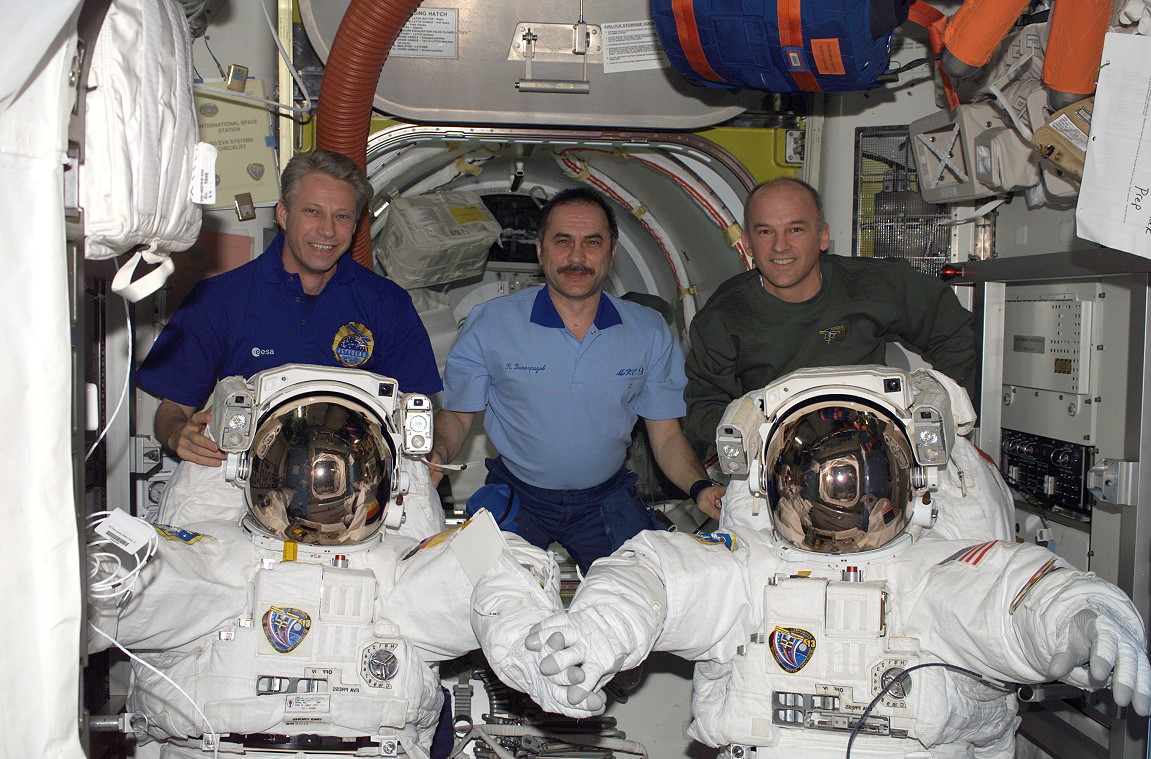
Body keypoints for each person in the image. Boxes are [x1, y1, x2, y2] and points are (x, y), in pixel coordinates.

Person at [515, 367, 1151, 759]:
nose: (838, 497)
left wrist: (1085, 616)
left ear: (907, 479)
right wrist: (596, 632)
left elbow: (1020, 598)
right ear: (773, 482)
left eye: (856, 478)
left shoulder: (935, 572)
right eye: (816, 477)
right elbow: (654, 576)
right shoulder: (745, 570)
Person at [87, 372, 561, 759]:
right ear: (255, 470)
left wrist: (529, 636)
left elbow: (489, 563)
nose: (320, 486)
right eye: (302, 467)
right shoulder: (216, 554)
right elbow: (133, 580)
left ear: (381, 479)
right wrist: (96, 576)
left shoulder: (399, 564)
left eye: (341, 470)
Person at [428, 187, 724, 572]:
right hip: (518, 495)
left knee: (648, 593)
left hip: (605, 499)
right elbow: (457, 415)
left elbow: (666, 436)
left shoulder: (648, 331)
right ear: (541, 250)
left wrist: (700, 487)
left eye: (592, 243)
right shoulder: (490, 324)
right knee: (477, 588)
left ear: (612, 252)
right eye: (563, 241)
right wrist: (436, 455)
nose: (577, 257)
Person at [136, 149, 442, 467]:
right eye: (312, 211)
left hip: (354, 477)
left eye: (342, 216)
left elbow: (416, 409)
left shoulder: (388, 304)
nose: (327, 231)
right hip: (240, 472)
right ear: (283, 214)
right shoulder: (219, 299)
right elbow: (173, 409)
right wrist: (177, 434)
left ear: (355, 225)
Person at [684, 177, 977, 458]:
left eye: (795, 229)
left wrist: (931, 413)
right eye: (765, 232)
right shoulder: (723, 316)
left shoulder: (873, 285)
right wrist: (762, 443)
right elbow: (706, 406)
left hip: (877, 447)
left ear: (823, 237)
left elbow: (954, 331)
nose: (780, 246)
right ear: (748, 244)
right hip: (777, 457)